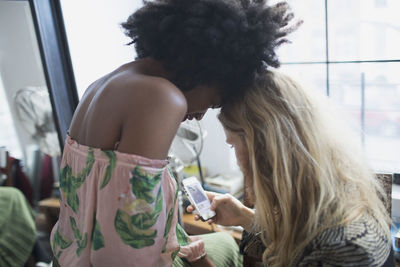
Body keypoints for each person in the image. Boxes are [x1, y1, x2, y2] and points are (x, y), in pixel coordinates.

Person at [50, 0, 299, 266]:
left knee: (222, 242)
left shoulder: (100, 85)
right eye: (214, 101)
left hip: (68, 256)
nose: (202, 114)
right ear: (210, 69)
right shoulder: (162, 98)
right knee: (226, 245)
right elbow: (131, 242)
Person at [189, 70, 394, 266]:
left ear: (262, 150)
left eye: (233, 144)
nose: (236, 158)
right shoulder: (333, 200)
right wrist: (243, 216)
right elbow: (299, 238)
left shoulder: (341, 250)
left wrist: (201, 261)